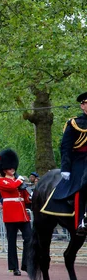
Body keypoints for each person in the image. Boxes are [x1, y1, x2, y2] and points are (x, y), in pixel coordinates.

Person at [54, 91, 87, 235]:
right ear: (82, 106)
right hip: (79, 160)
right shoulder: (74, 123)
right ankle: (81, 221)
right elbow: (65, 147)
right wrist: (65, 168)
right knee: (83, 183)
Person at [0, 149, 31, 276]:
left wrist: (28, 194)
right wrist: (19, 181)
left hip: (22, 214)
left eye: (13, 168)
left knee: (29, 238)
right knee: (12, 242)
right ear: (5, 169)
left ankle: (26, 264)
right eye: (10, 168)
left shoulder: (17, 180)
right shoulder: (2, 180)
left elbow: (24, 196)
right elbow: (11, 187)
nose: (12, 170)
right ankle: (14, 267)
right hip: (11, 214)